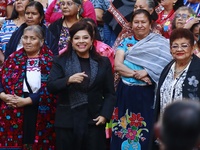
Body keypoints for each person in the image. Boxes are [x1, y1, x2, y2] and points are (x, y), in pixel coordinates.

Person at [47, 21, 116, 150]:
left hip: (94, 120)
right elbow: (51, 86)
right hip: (68, 122)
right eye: (77, 38)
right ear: (71, 41)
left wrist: (105, 115)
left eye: (85, 37)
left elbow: (109, 93)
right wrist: (68, 80)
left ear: (91, 40)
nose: (81, 41)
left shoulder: (103, 62)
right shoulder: (60, 60)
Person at [110, 9, 172, 150]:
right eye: (136, 22)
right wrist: (137, 74)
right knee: (123, 127)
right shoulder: (125, 42)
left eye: (143, 22)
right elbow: (118, 65)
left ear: (150, 24)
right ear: (131, 25)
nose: (139, 25)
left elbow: (165, 65)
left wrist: (148, 72)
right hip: (126, 92)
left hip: (147, 93)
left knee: (144, 128)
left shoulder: (160, 43)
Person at [0, 25, 56, 149]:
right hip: (12, 106)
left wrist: (27, 101)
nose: (28, 41)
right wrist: (3, 95)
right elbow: (1, 80)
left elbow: (52, 87)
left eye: (33, 38)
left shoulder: (50, 61)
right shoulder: (12, 59)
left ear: (41, 42)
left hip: (38, 107)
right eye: (25, 38)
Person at [0, 0, 32, 64]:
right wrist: (5, 61)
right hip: (6, 65)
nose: (18, 2)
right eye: (17, 0)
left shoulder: (34, 23)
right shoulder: (6, 24)